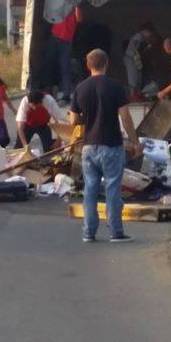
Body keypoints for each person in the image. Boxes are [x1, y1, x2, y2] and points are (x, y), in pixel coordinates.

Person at [70, 48, 142, 243]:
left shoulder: (80, 88)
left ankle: (89, 232)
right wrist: (134, 141)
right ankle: (115, 231)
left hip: (88, 146)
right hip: (111, 143)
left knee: (90, 189)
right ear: (106, 63)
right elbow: (125, 116)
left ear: (88, 65)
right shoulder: (116, 86)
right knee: (112, 188)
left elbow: (74, 120)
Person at [46, 6, 82, 105]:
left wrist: (75, 6)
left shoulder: (75, 8)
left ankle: (66, 95)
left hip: (66, 41)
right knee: (51, 66)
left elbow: (79, 19)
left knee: (65, 68)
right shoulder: (61, 3)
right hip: (54, 36)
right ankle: (50, 93)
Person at [123, 23, 156, 101]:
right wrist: (136, 52)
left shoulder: (143, 39)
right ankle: (132, 94)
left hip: (135, 59)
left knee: (138, 76)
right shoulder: (139, 35)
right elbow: (134, 43)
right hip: (131, 58)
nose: (149, 36)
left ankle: (137, 94)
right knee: (132, 76)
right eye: (149, 33)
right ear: (145, 31)